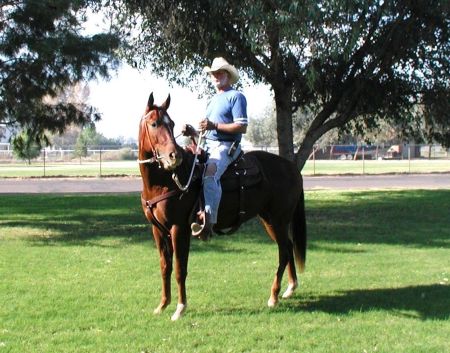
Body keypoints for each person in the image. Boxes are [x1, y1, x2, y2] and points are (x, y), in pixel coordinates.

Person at [191, 57, 248, 240]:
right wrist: (192, 131)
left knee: (209, 174)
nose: (216, 76)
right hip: (208, 145)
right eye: (213, 74)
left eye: (220, 72)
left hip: (226, 146)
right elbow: (208, 130)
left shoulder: (236, 97)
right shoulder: (212, 100)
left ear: (228, 75)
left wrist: (214, 126)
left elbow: (242, 127)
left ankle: (209, 221)